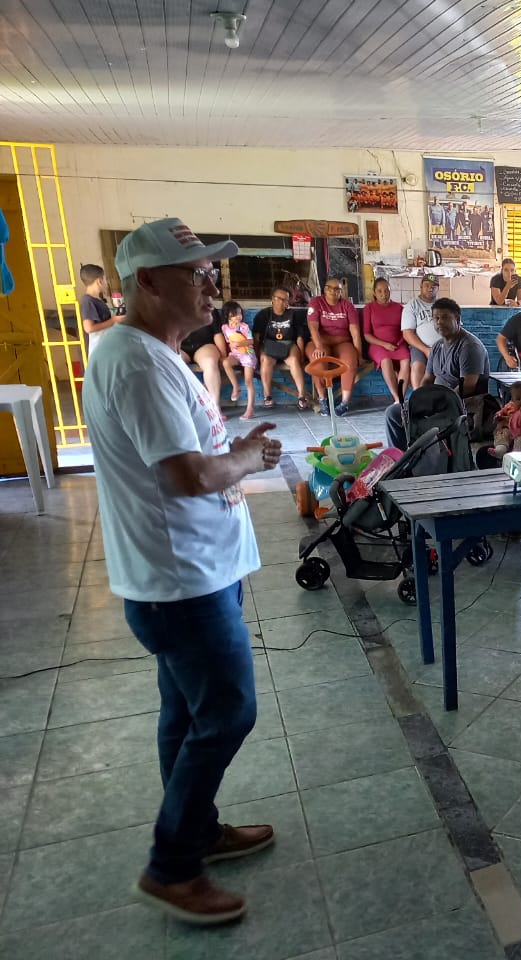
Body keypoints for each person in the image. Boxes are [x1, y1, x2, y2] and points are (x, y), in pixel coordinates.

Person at [83, 218, 282, 924]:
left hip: (190, 572)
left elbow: (196, 455)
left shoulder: (155, 353)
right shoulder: (134, 361)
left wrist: (238, 451)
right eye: (192, 272)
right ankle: (172, 867)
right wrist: (251, 460)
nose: (209, 283)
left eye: (209, 271)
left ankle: (196, 832)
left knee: (186, 711)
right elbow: (189, 474)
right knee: (229, 711)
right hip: (180, 582)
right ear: (145, 282)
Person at [383, 298, 490, 450]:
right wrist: (416, 400)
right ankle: (401, 459)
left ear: (458, 319)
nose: (439, 322)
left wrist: (438, 406)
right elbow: (427, 379)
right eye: (436, 318)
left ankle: (417, 458)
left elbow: (469, 386)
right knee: (393, 414)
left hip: (460, 407)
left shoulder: (469, 346)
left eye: (445, 317)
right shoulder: (437, 346)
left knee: (416, 422)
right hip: (437, 402)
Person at [306, 278, 362, 416]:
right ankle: (323, 400)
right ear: (324, 289)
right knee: (317, 359)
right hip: (320, 342)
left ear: (341, 291)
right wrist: (319, 346)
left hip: (342, 342)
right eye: (330, 288)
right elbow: (313, 327)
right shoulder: (316, 302)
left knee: (350, 361)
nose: (333, 291)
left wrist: (359, 354)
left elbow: (355, 333)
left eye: (337, 289)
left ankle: (344, 403)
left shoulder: (348, 306)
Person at [253, 287, 310, 410]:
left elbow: (300, 337)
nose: (284, 302)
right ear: (273, 300)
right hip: (270, 345)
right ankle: (267, 395)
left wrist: (302, 357)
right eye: (281, 299)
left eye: (286, 299)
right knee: (266, 360)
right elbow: (257, 338)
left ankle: (301, 395)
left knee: (294, 360)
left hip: (288, 344)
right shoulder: (264, 315)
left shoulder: (293, 315)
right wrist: (256, 357)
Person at [363, 277, 410, 403]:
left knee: (406, 360)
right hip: (378, 345)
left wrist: (399, 343)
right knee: (386, 360)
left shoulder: (399, 308)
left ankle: (401, 396)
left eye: (386, 291)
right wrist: (385, 344)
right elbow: (367, 335)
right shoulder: (369, 308)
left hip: (397, 345)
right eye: (379, 291)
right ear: (374, 293)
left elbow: (404, 331)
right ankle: (397, 399)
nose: (383, 294)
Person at [219, 301, 256, 421]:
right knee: (226, 363)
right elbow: (229, 343)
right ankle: (235, 386)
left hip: (247, 354)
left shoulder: (244, 327)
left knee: (248, 381)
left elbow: (251, 341)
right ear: (227, 316)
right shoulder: (224, 328)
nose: (238, 317)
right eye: (235, 314)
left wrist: (239, 343)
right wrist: (232, 346)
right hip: (235, 354)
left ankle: (250, 409)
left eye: (240, 313)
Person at [402, 274, 441, 389]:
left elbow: (456, 328)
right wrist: (426, 350)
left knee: (446, 368)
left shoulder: (444, 305)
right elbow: (407, 333)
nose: (430, 288)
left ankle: (444, 400)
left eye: (434, 286)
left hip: (443, 347)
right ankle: (419, 400)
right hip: (419, 347)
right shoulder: (412, 305)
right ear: (421, 286)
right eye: (427, 285)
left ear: (438, 288)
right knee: (417, 366)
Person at [489, 381, 521, 457]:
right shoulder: (510, 406)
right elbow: (502, 411)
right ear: (513, 400)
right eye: (518, 399)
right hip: (508, 429)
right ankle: (500, 450)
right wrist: (498, 415)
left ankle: (514, 456)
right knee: (502, 434)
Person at [180, 315, 223, 401]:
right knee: (171, 360)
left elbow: (217, 334)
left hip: (204, 346)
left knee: (210, 362)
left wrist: (223, 356)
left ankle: (215, 408)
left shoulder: (208, 308)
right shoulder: (173, 308)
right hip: (180, 346)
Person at [79, 262, 118, 355]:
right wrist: (113, 321)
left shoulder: (98, 299)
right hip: (98, 349)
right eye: (105, 279)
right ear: (99, 281)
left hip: (105, 346)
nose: (106, 282)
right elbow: (89, 328)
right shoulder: (87, 301)